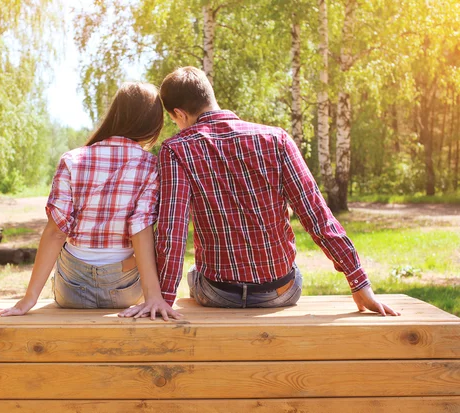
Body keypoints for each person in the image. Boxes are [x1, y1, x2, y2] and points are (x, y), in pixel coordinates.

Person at [120, 67, 400, 317]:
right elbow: (316, 214)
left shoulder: (176, 149)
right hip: (281, 292)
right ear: (210, 96)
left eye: (175, 120)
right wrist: (358, 280)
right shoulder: (276, 139)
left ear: (179, 114)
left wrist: (164, 300)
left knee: (196, 274)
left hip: (218, 294)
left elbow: (173, 232)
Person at [0, 82, 182, 321]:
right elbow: (140, 230)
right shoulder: (150, 165)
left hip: (71, 288)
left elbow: (56, 233)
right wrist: (153, 296)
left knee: (68, 246)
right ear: (152, 123)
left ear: (116, 115)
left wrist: (29, 298)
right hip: (124, 291)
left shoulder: (72, 160)